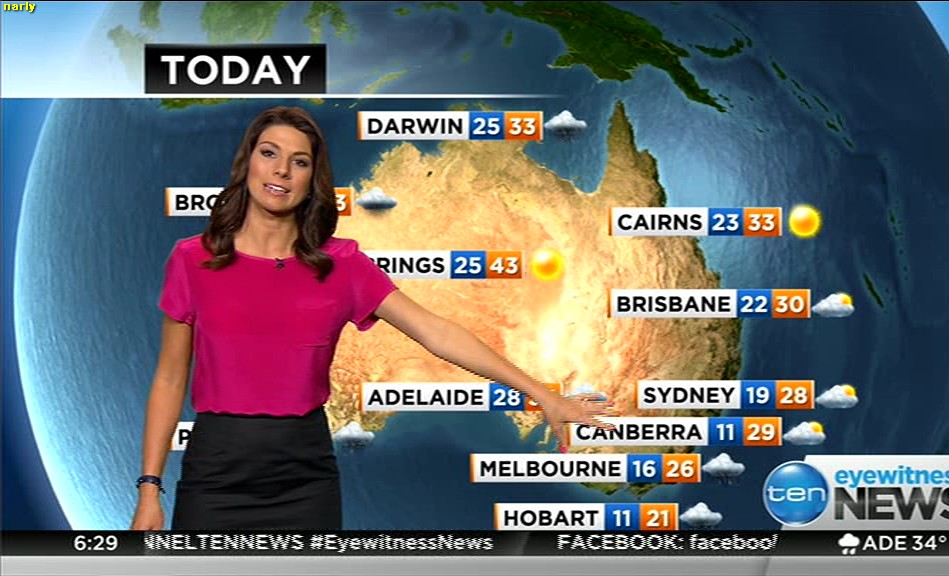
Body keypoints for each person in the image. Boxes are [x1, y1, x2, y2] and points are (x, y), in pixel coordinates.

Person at [129, 106, 614, 531]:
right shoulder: (193, 259)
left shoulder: (342, 266)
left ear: (312, 180)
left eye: (300, 161)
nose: (281, 171)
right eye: (269, 153)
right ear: (247, 163)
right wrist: (149, 489)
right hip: (215, 471)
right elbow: (170, 378)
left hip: (304, 475)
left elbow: (437, 332)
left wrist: (543, 394)